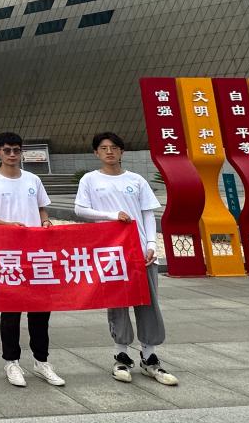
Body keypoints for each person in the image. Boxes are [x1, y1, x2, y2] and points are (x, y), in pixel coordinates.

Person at [74, 132, 178, 386]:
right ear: (96, 153)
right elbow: (80, 209)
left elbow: (147, 214)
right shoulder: (90, 180)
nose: (109, 152)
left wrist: (151, 245)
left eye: (114, 147)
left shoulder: (136, 180)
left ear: (122, 151)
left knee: (148, 303)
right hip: (111, 253)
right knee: (117, 303)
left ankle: (149, 356)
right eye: (103, 148)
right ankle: (121, 354)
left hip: (140, 252)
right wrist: (112, 215)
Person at [0, 132, 65, 388]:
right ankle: (11, 361)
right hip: (9, 254)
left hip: (36, 253)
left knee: (40, 310)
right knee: (11, 311)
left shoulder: (33, 179)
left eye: (16, 150)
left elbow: (41, 208)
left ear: (21, 152)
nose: (12, 154)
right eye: (7, 150)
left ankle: (41, 360)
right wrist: (7, 226)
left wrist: (46, 222)